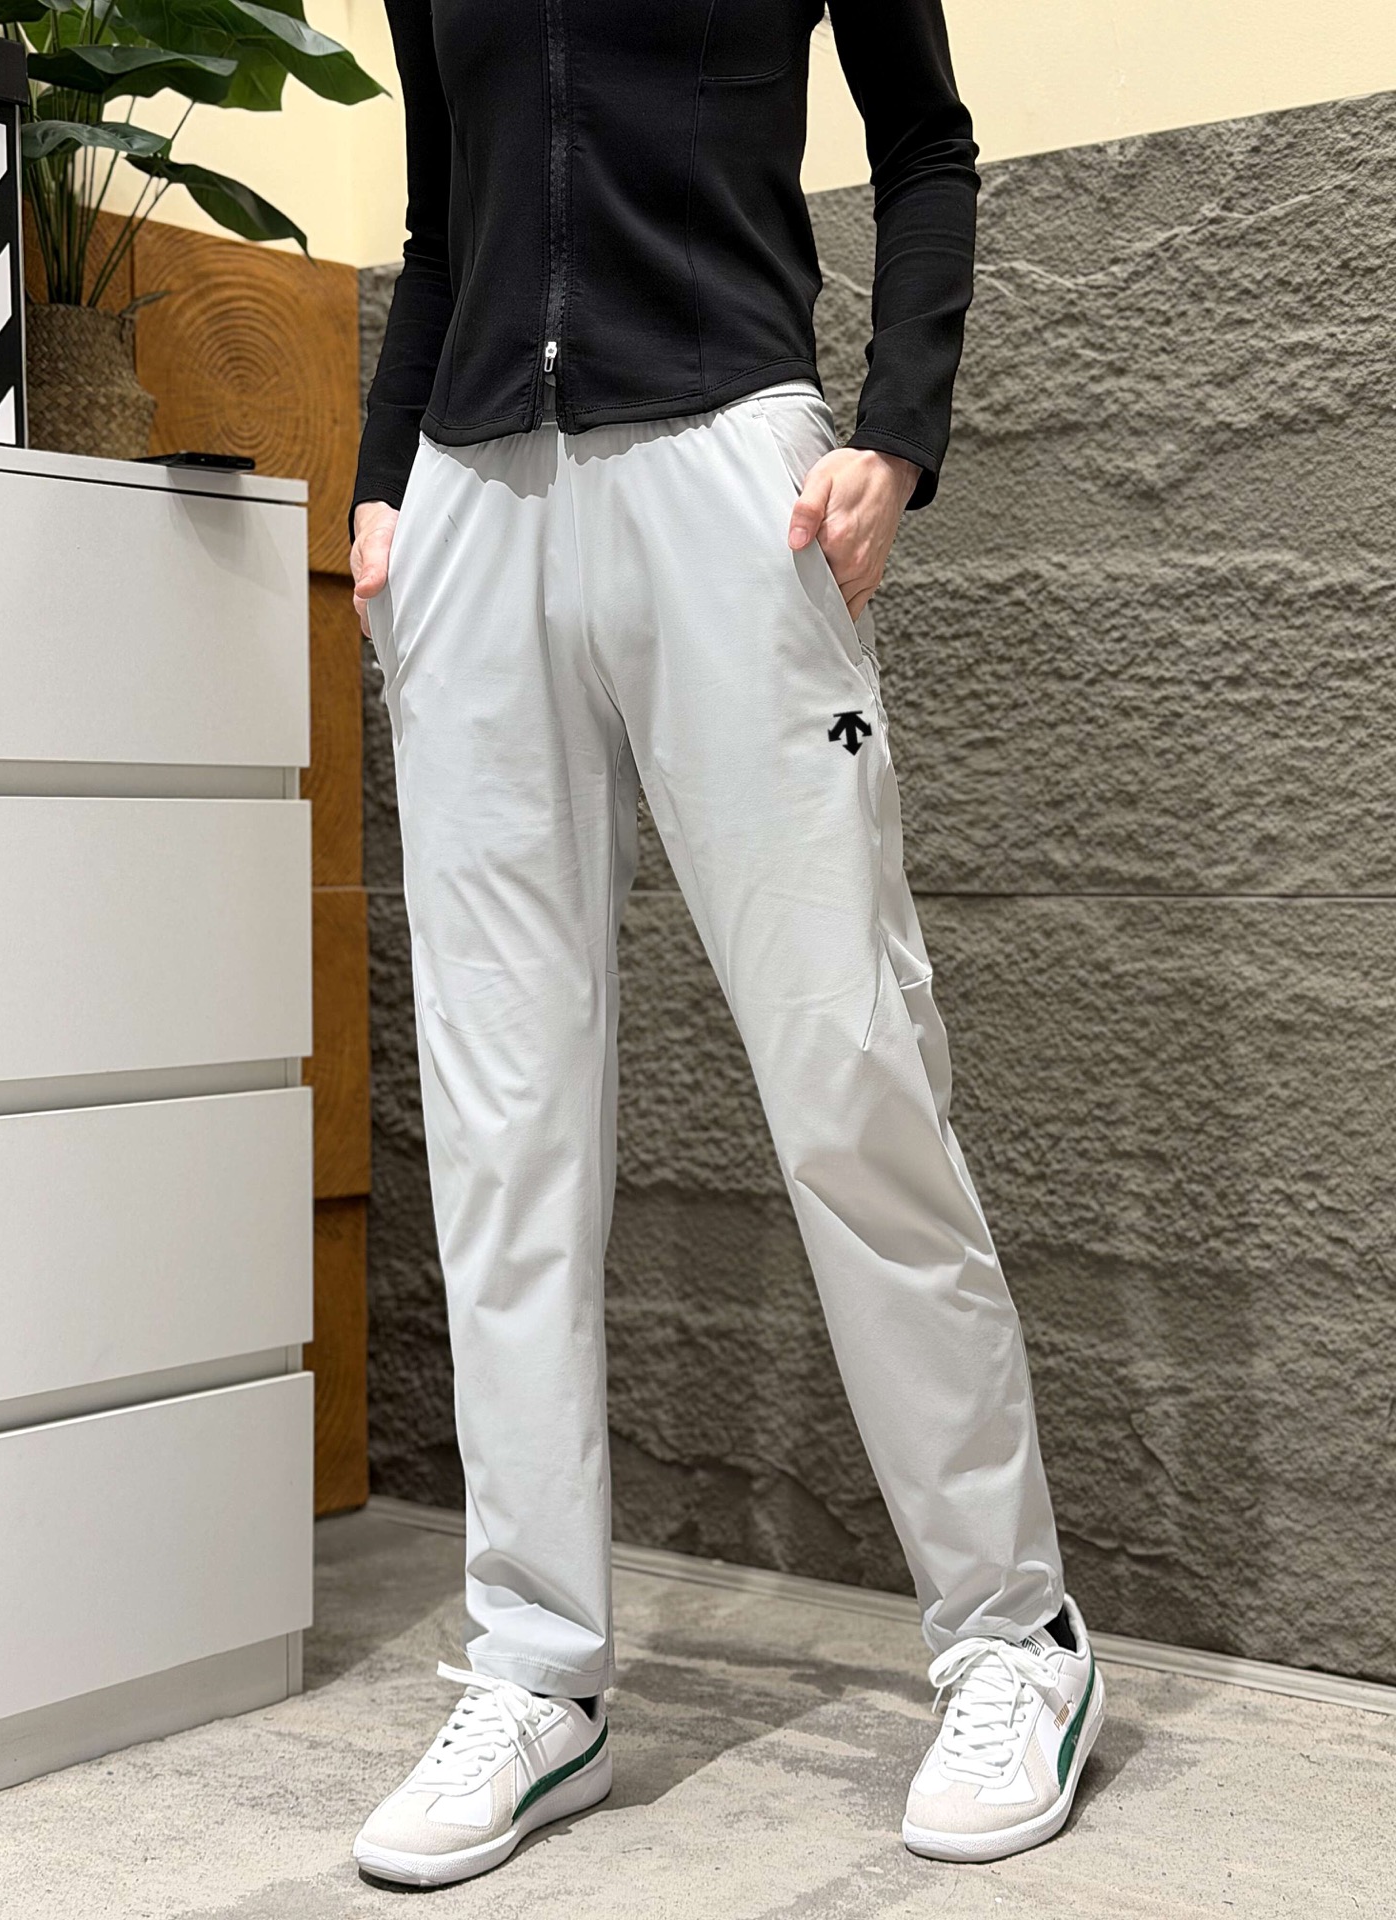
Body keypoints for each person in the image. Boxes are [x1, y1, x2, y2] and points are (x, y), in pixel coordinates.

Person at [347, 0, 1103, 1888]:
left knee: (850, 1068)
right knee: (502, 1121)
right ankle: (537, 1670)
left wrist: (898, 430)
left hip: (725, 467)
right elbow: (447, 217)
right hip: (470, 500)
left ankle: (1014, 1635)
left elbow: (927, 145)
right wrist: (382, 481)